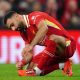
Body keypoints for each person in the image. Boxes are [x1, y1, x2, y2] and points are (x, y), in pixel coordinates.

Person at [4, 11, 76, 76]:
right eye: (11, 28)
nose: (13, 29)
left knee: (53, 38)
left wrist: (31, 45)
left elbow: (44, 28)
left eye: (12, 25)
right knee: (29, 69)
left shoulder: (34, 16)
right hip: (53, 51)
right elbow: (29, 54)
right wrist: (22, 62)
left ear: (17, 16)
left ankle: (37, 71)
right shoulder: (23, 32)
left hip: (67, 45)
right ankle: (62, 65)